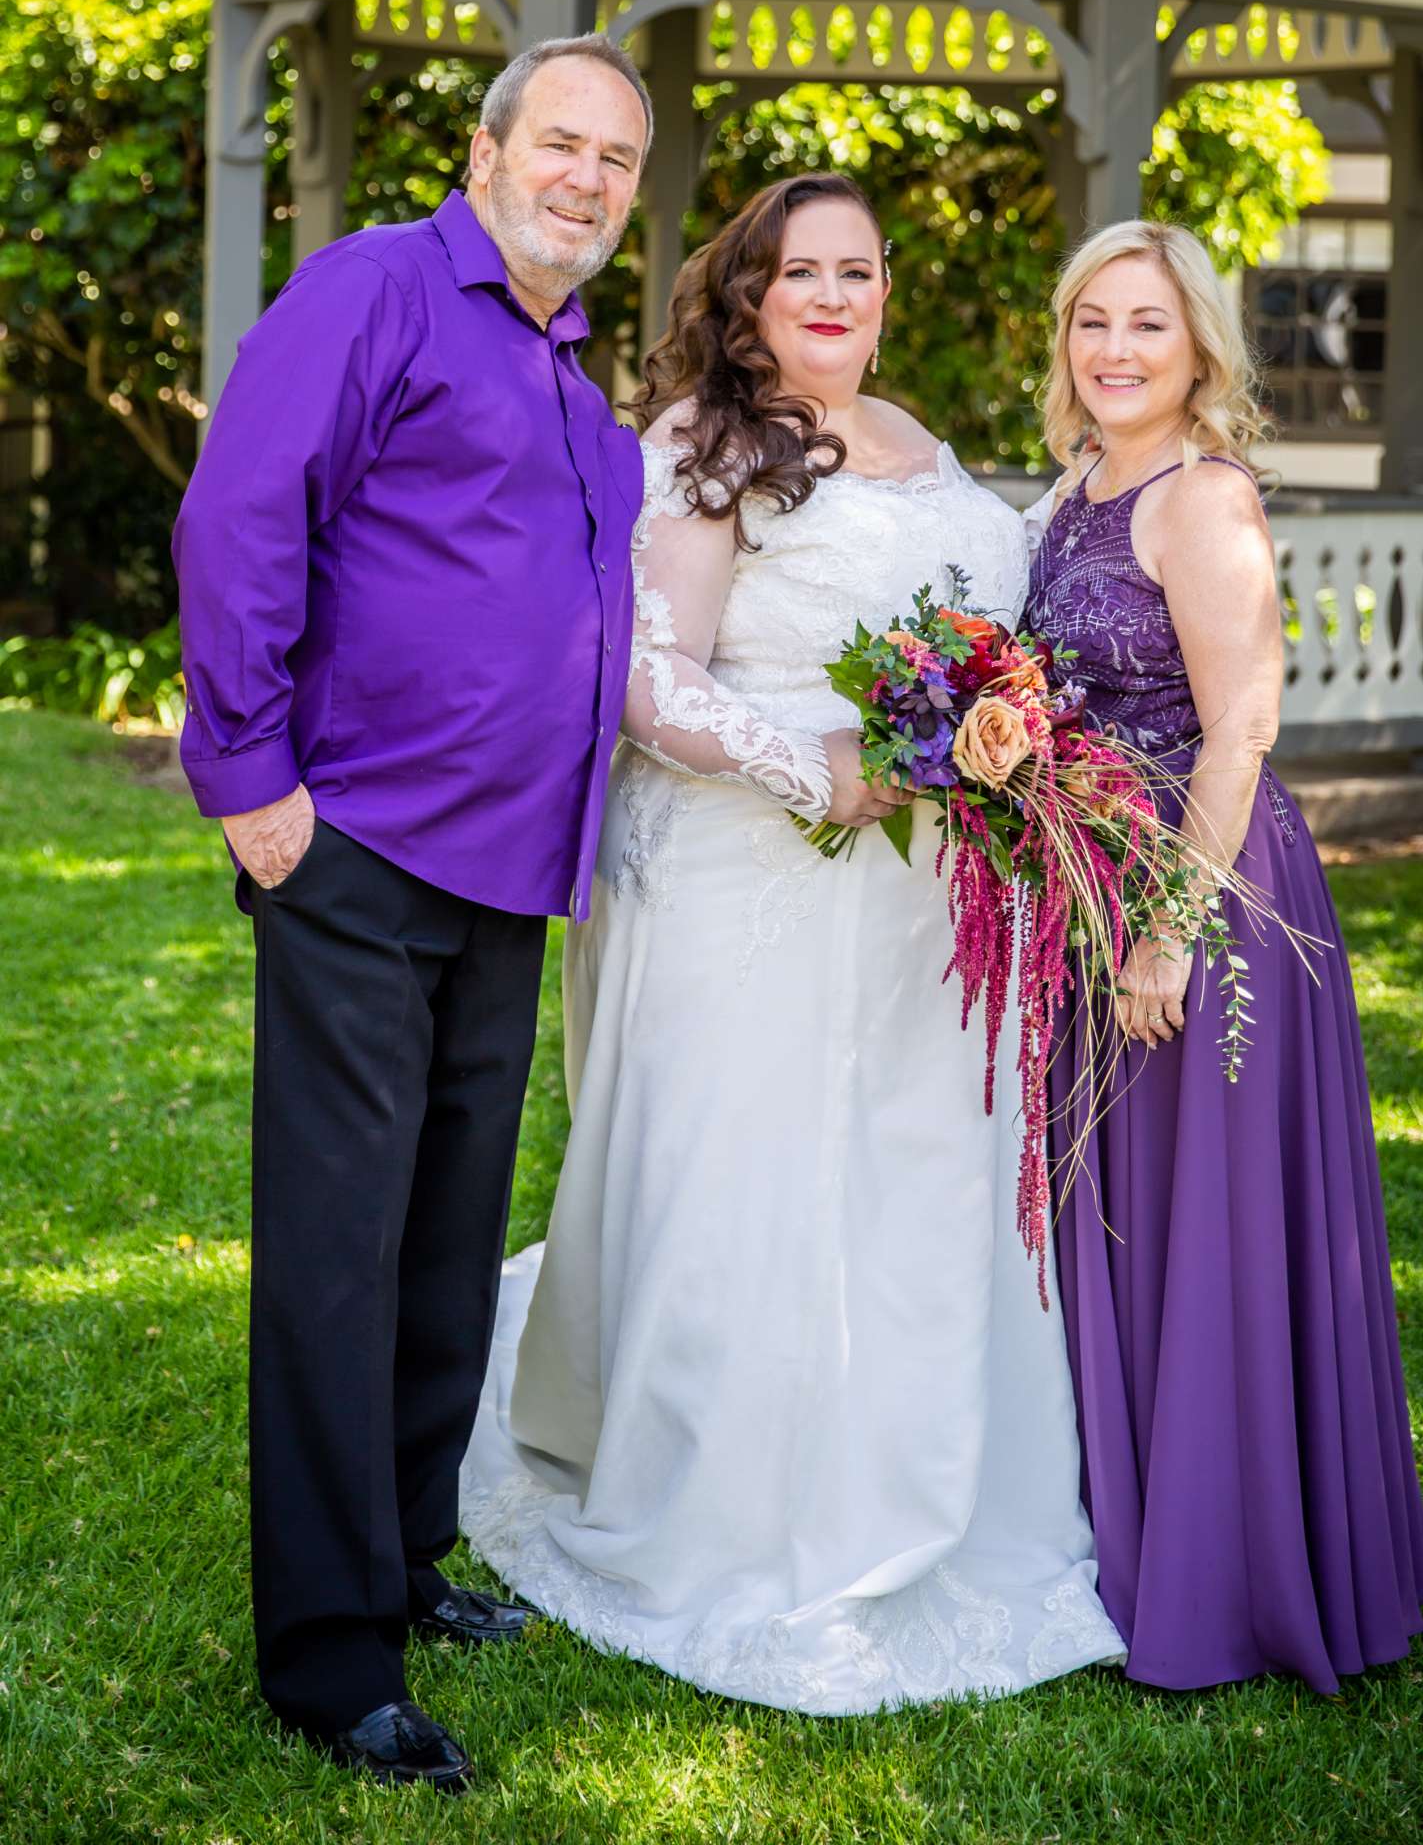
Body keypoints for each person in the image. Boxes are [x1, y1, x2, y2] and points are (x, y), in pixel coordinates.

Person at [458, 172, 1125, 1711]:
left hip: (928, 891)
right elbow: (649, 675)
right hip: (753, 871)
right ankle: (731, 1500)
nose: (833, 296)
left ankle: (934, 1474)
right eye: (800, 271)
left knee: (913, 1175)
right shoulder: (702, 446)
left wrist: (992, 738)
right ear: (748, 291)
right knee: (753, 1171)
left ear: (890, 292)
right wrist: (816, 767)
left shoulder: (924, 447)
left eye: (861, 272)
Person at [172, 34, 652, 1791]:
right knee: (338, 1246)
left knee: (446, 1238)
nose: (588, 181)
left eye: (618, 161)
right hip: (358, 848)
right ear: (489, 147)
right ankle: (324, 1655)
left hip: (512, 874)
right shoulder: (374, 290)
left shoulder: (577, 387)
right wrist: (248, 782)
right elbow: (239, 515)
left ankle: (404, 1555)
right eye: (563, 145)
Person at [1023, 219, 1423, 1693]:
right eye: (1092, 323)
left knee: (1213, 1231)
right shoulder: (1079, 488)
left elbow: (1241, 725)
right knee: (1127, 1223)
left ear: (1199, 343)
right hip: (1091, 884)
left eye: (1148, 323)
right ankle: (1127, 1529)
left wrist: (1169, 933)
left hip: (1205, 898)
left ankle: (1237, 1573)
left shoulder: (1203, 499)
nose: (1117, 350)